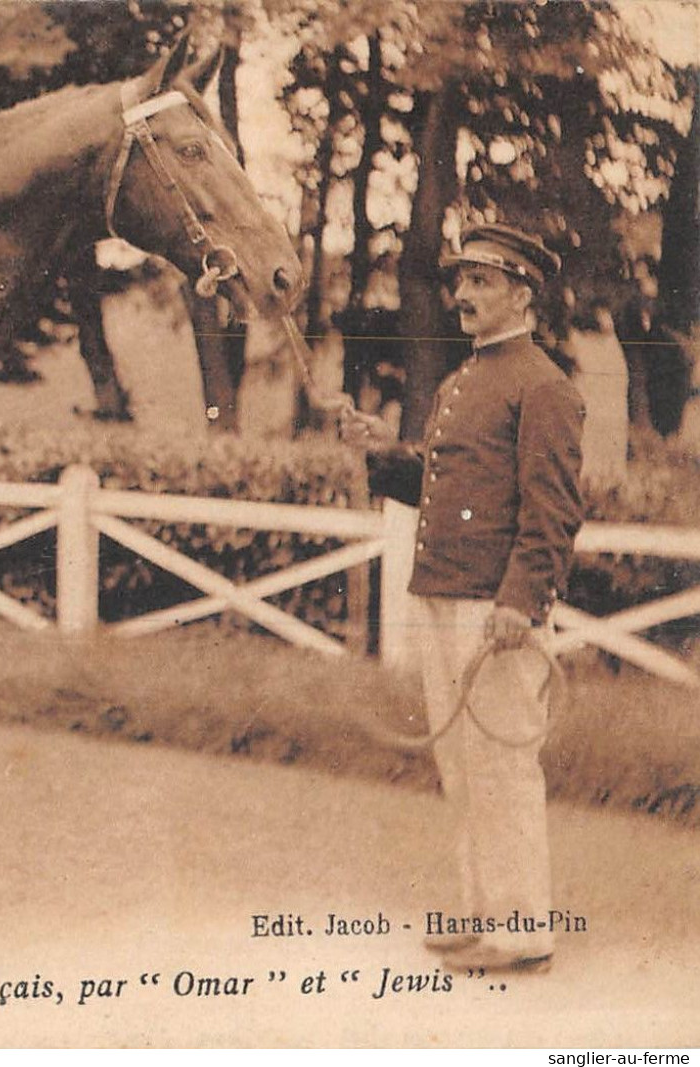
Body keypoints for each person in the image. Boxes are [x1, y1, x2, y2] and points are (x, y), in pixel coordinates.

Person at [341, 223, 585, 975]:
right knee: (460, 761)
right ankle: (487, 913)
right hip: (444, 593)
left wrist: (521, 599)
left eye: (481, 281)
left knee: (503, 763)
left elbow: (551, 510)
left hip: (495, 609)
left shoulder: (541, 384)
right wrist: (380, 452)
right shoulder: (459, 382)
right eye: (460, 281)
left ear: (521, 292)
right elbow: (442, 491)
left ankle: (521, 931)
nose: (462, 294)